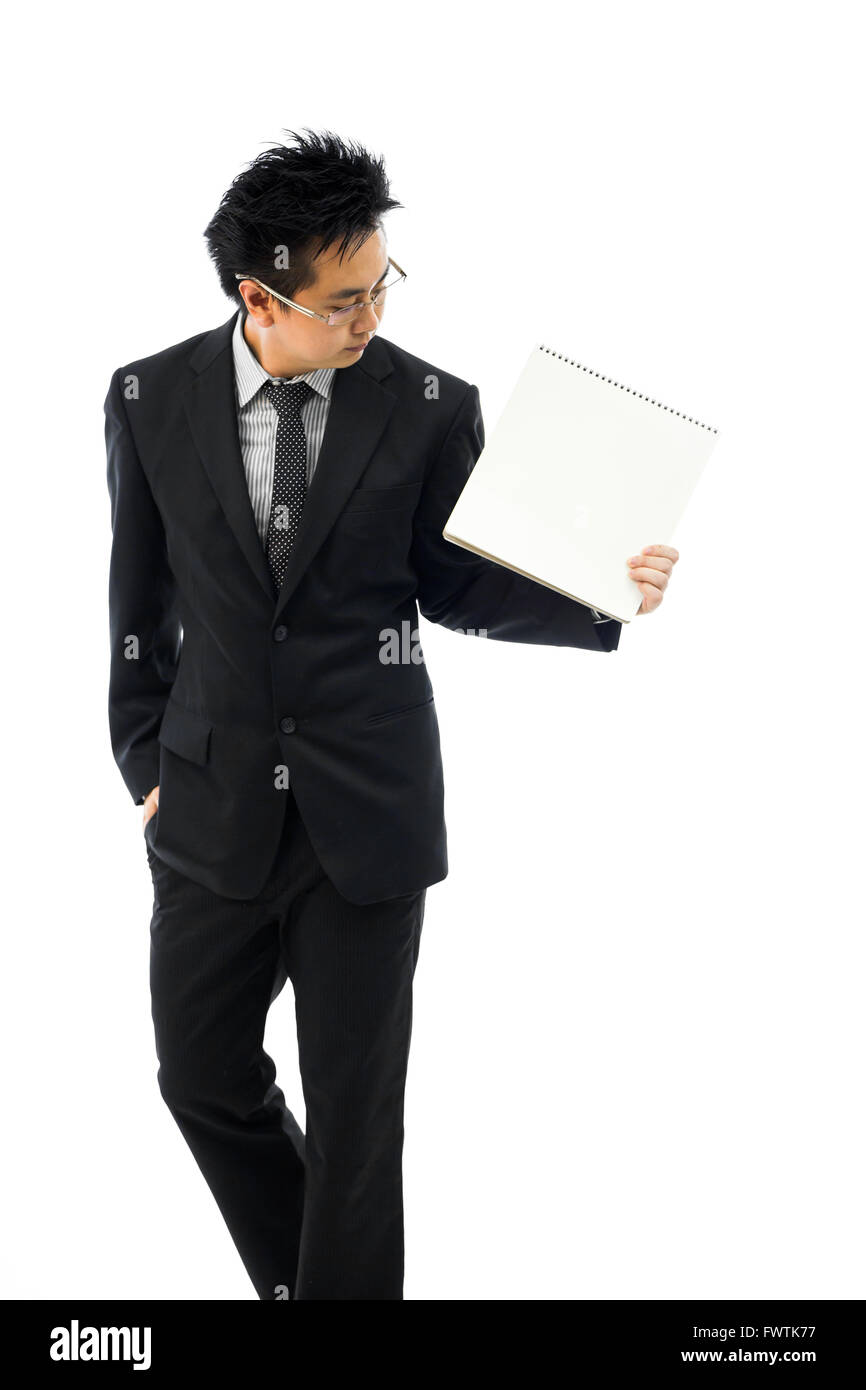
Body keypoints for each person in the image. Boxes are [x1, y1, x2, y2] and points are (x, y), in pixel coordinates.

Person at [105, 127, 678, 1301]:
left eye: (382, 286)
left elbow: (454, 582)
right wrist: (143, 763)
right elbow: (133, 607)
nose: (371, 318)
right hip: (208, 808)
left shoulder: (424, 406)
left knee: (359, 1124)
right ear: (260, 298)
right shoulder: (145, 397)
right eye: (344, 300)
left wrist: (601, 588)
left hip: (366, 814)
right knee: (198, 1073)